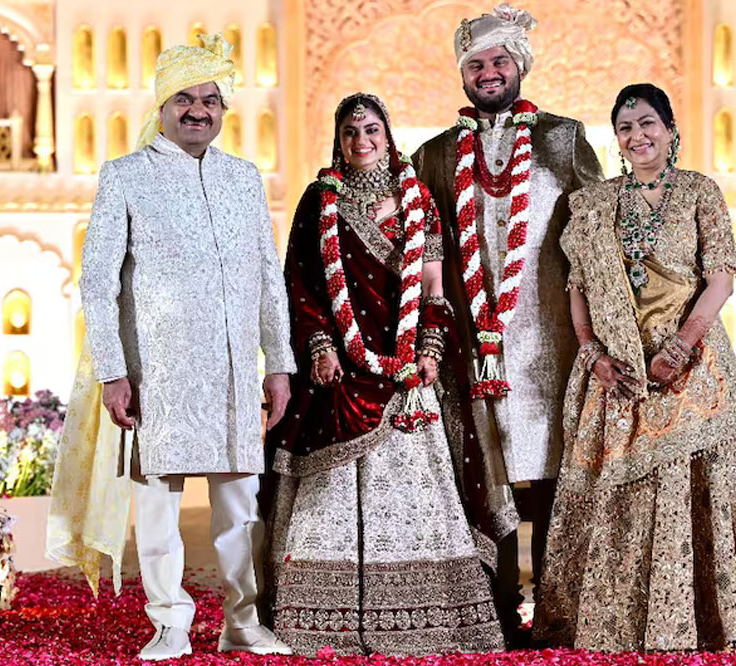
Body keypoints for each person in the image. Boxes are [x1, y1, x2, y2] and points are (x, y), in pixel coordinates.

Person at [533, 83, 736, 652]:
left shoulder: (700, 191)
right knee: (619, 494)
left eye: (647, 123)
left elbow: (720, 278)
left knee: (693, 485)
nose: (637, 136)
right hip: (619, 373)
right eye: (625, 128)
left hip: (693, 368)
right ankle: (614, 624)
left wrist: (679, 347)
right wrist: (593, 353)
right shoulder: (595, 203)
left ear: (671, 130)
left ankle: (703, 623)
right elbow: (578, 287)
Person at [76, 34, 295, 660]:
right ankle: (169, 622)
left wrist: (278, 363)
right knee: (157, 507)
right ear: (163, 105)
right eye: (185, 99)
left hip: (233, 372)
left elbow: (267, 277)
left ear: (223, 110)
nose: (198, 110)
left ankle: (242, 621)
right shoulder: (126, 175)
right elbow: (97, 281)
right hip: (158, 373)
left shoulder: (243, 178)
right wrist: (113, 371)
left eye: (210, 100)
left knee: (240, 510)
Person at [264, 92, 506, 657]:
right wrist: (321, 346)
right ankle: (326, 621)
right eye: (350, 132)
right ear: (337, 139)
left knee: (419, 491)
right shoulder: (320, 200)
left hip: (407, 375)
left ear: (388, 134)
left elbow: (435, 288)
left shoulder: (418, 198)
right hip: (340, 374)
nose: (361, 140)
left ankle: (428, 620)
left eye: (371, 129)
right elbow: (300, 285)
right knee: (331, 496)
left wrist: (431, 347)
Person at [412, 4, 603, 643]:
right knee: (481, 467)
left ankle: (555, 609)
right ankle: (493, 611)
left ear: (519, 66)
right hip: (472, 346)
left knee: (552, 472)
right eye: (475, 64)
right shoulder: (434, 154)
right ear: (462, 75)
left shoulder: (563, 139)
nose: (488, 72)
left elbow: (599, 236)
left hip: (552, 340)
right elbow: (415, 247)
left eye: (499, 61)